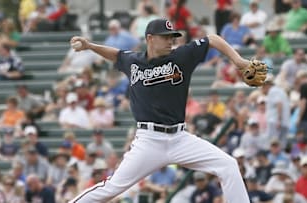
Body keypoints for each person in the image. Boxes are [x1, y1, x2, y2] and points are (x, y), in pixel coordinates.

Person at [69, 18, 259, 203]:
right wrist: (90, 46)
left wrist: (239, 61)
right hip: (149, 141)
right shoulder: (134, 62)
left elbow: (213, 39)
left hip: (180, 139)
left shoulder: (181, 57)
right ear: (150, 38)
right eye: (165, 37)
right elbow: (115, 54)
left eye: (172, 37)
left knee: (228, 166)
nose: (171, 41)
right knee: (111, 188)